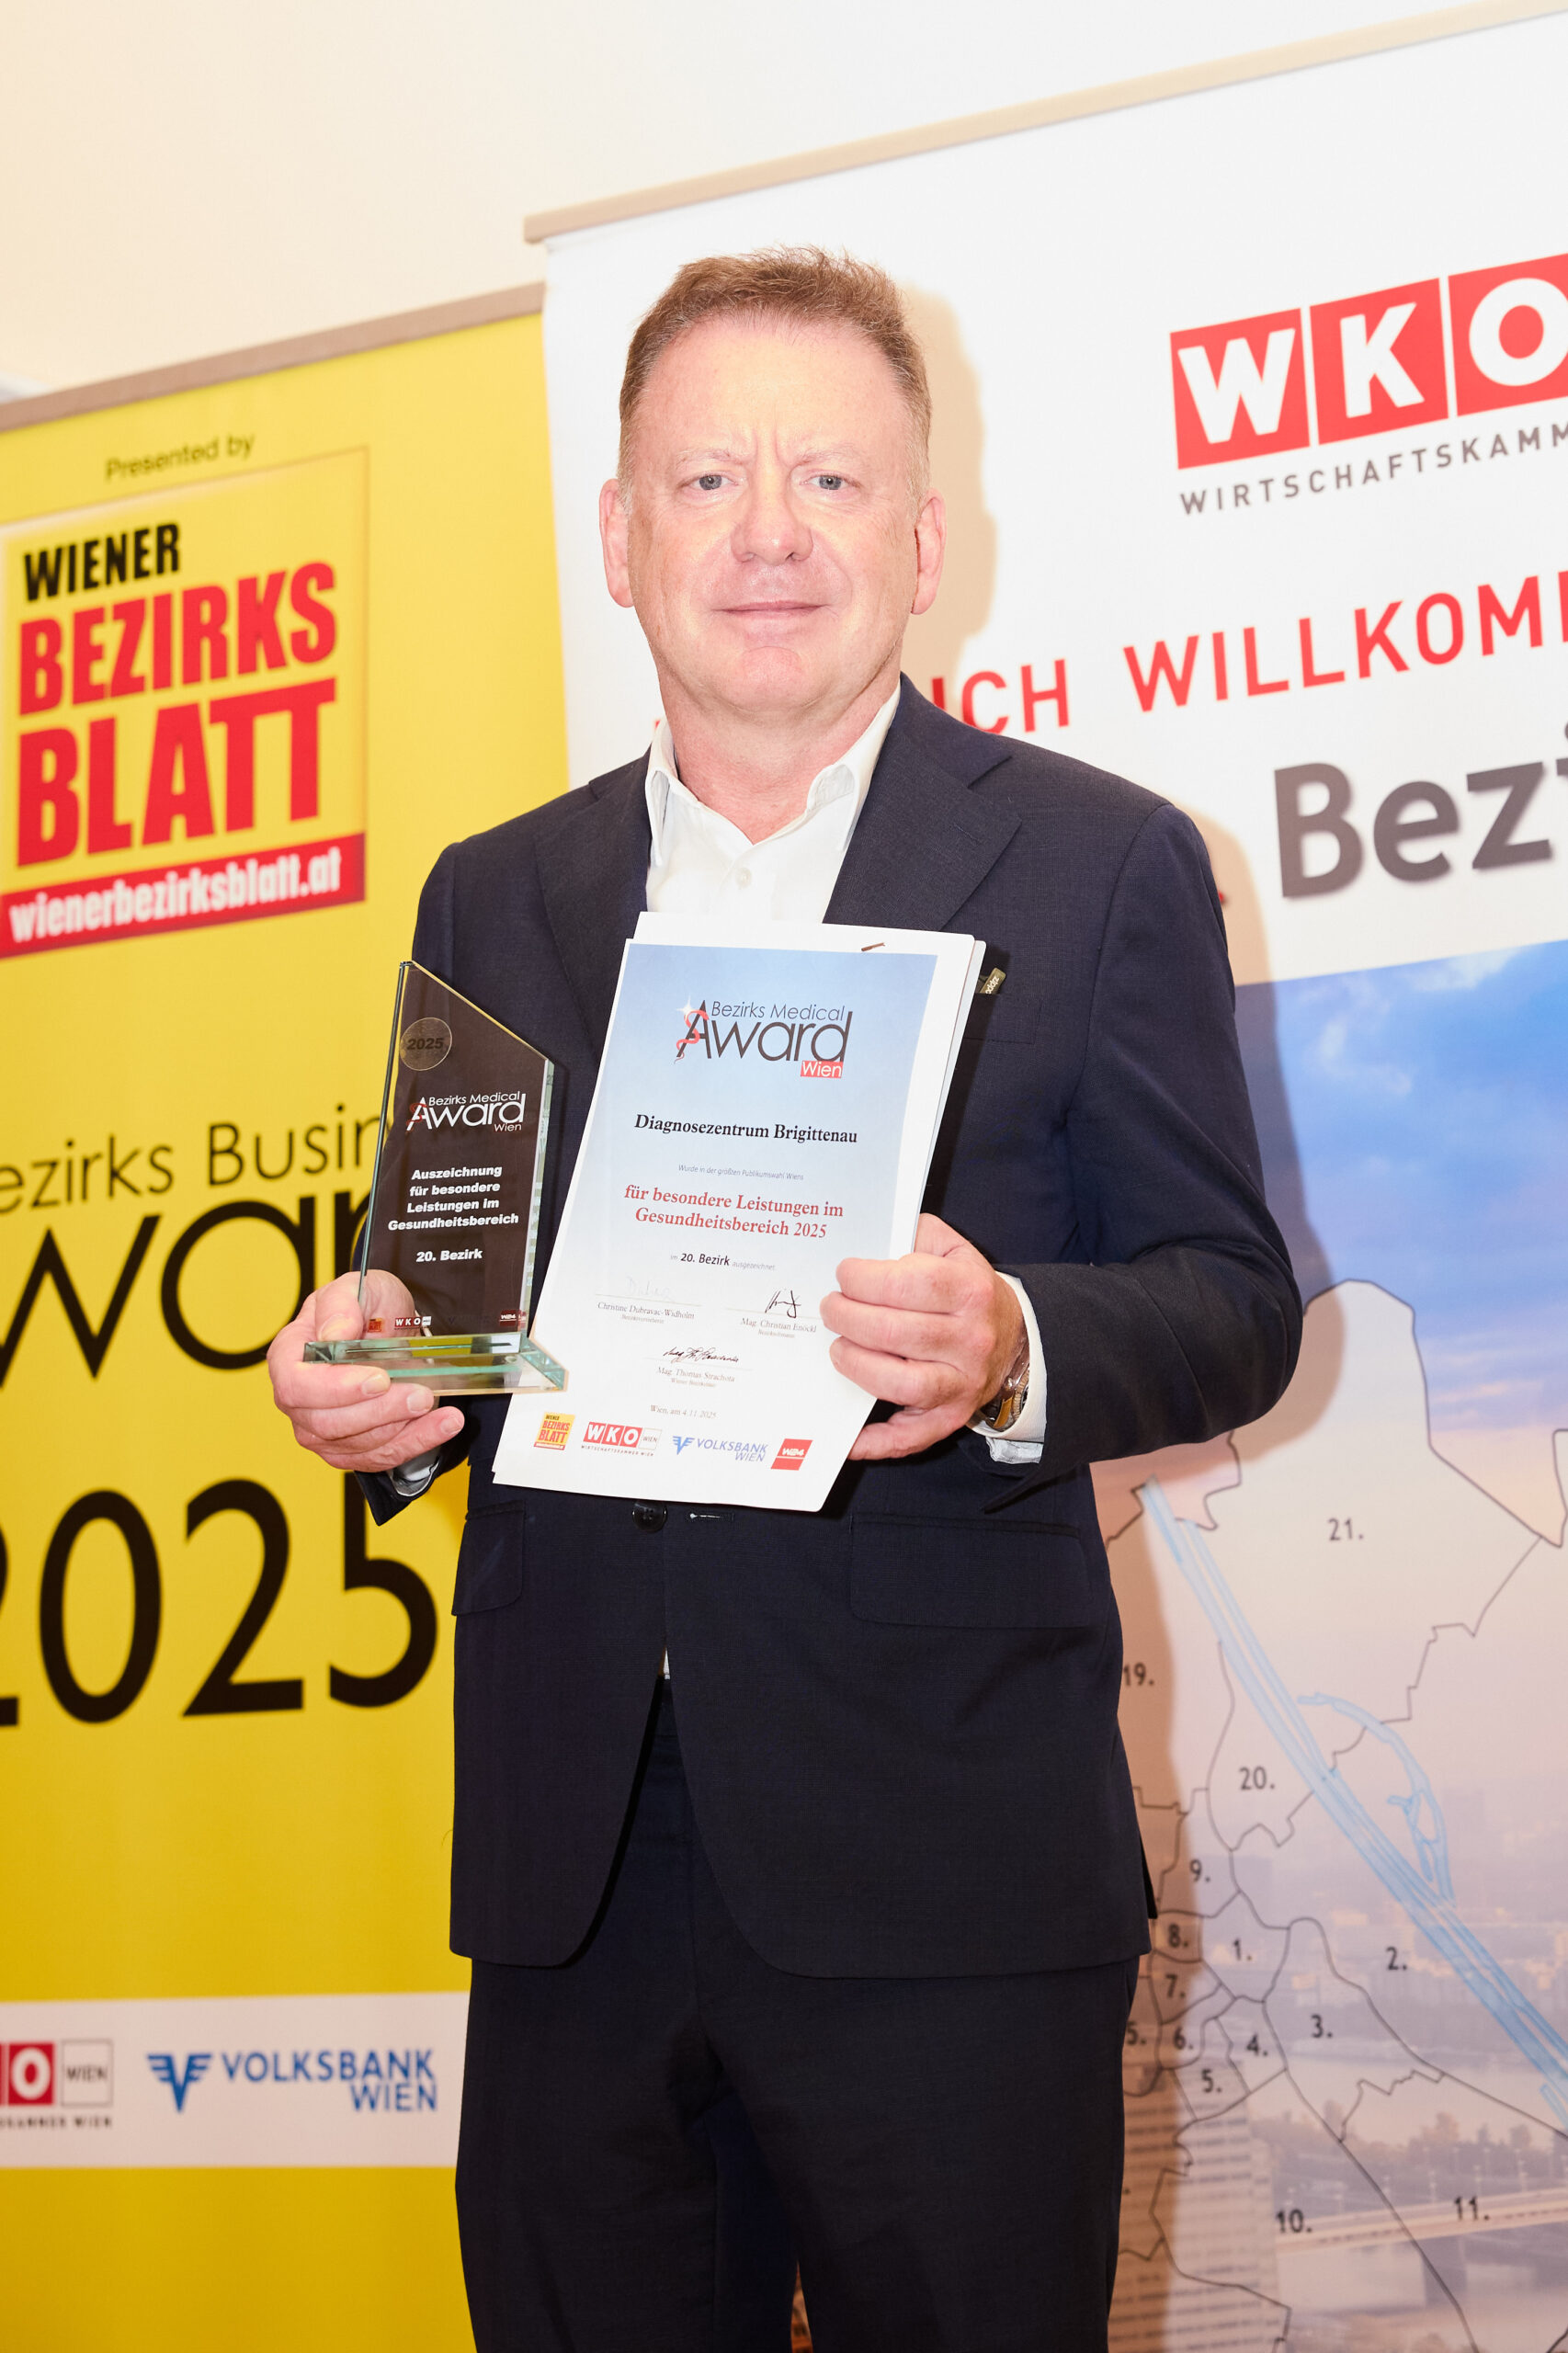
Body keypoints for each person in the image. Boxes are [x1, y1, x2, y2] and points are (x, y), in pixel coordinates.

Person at [268, 248, 1301, 2353]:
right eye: (708, 478)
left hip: (941, 1854)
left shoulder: (1100, 863)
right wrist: (375, 1374)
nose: (767, 533)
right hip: (572, 1868)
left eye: (828, 479)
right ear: (618, 536)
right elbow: (451, 1305)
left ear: (921, 541)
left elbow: (1229, 1299)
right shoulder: (494, 888)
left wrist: (1012, 1340)